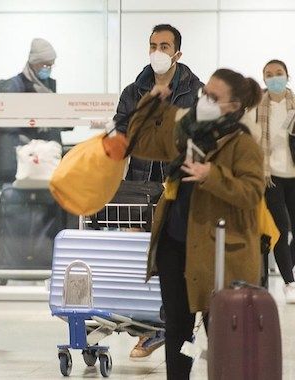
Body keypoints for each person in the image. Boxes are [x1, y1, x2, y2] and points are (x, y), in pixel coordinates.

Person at [105, 68, 264, 379]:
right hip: (175, 243)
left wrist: (211, 176)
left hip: (218, 250)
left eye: (214, 98)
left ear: (233, 107)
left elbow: (252, 193)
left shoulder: (243, 144)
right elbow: (140, 141)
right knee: (177, 325)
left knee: (219, 325)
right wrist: (149, 104)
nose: (204, 101)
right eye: (205, 94)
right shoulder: (187, 129)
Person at [113, 24, 203, 360]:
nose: (158, 51)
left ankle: (171, 326)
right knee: (142, 261)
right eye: (153, 45)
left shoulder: (196, 90)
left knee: (174, 261)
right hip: (138, 185)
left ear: (177, 53)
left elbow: (200, 134)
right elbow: (122, 129)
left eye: (165, 46)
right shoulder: (135, 89)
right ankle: (149, 329)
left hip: (177, 187)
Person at [249, 60, 295, 304]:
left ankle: (284, 267)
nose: (274, 77)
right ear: (263, 78)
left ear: (288, 76)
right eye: (269, 74)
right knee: (279, 232)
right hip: (270, 177)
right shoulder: (256, 106)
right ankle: (290, 283)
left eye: (278, 73)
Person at [0, 38, 63, 189]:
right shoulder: (12, 87)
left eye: (51, 65)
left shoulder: (49, 88)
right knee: (16, 204)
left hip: (46, 165)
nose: (48, 68)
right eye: (44, 64)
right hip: (18, 164)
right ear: (33, 62)